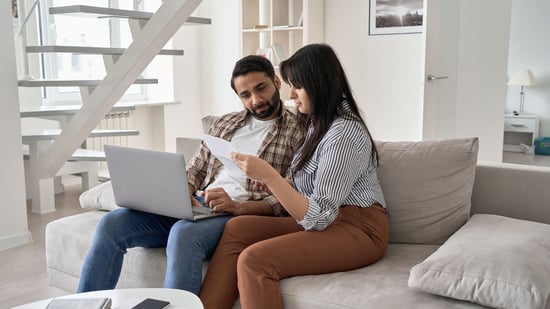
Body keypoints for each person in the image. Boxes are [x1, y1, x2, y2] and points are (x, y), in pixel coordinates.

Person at [76, 55, 304, 296]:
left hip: (237, 215)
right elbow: (194, 170)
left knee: (183, 234)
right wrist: (181, 193)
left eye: (261, 88)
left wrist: (236, 206)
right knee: (112, 223)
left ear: (277, 82)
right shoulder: (225, 123)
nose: (256, 100)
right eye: (245, 95)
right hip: (200, 205)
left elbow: (288, 197)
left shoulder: (298, 131)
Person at [199, 43, 390, 309]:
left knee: (254, 260)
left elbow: (320, 217)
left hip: (359, 229)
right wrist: (257, 187)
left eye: (297, 86)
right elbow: (308, 192)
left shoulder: (344, 134)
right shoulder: (318, 123)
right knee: (238, 227)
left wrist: (268, 175)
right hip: (332, 220)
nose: (291, 95)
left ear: (318, 84)